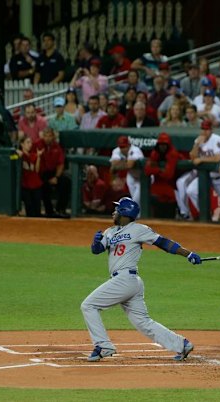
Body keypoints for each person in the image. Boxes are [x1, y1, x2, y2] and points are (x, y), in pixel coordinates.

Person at [82, 197, 201, 362]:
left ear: (124, 213)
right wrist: (95, 243)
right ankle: (182, 345)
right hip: (128, 283)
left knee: (88, 305)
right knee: (143, 322)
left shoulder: (138, 229)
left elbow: (164, 243)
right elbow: (97, 250)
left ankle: (103, 345)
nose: (113, 212)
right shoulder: (109, 231)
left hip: (126, 280)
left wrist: (187, 253)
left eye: (117, 209)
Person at [175, 120, 220, 220]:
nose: (205, 131)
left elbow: (217, 158)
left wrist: (201, 159)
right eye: (203, 129)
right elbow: (193, 157)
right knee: (191, 191)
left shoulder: (217, 139)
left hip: (219, 177)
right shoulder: (199, 140)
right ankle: (205, 214)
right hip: (205, 176)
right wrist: (197, 145)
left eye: (207, 129)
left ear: (211, 130)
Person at [144, 132, 182, 218]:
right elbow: (147, 170)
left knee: (181, 187)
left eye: (165, 144)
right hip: (164, 182)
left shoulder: (172, 153)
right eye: (160, 144)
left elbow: (168, 174)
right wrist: (160, 170)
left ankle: (183, 214)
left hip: (178, 179)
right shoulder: (155, 153)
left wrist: (155, 169)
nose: (162, 147)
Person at [36, 127, 70, 218]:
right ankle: (49, 211)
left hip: (53, 172)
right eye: (46, 136)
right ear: (43, 136)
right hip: (41, 173)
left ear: (53, 136)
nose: (48, 138)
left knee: (66, 182)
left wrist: (56, 177)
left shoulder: (57, 146)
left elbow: (61, 164)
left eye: (50, 136)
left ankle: (60, 209)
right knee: (43, 184)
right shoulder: (37, 144)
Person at [110, 136, 144, 204]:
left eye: (124, 147)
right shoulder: (116, 150)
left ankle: (136, 214)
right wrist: (125, 163)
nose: (122, 149)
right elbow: (113, 165)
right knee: (135, 200)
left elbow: (130, 165)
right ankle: (138, 214)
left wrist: (120, 163)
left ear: (129, 145)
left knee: (136, 200)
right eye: (121, 147)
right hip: (131, 176)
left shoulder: (135, 150)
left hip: (143, 177)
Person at [16, 136, 43, 217]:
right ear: (22, 144)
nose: (30, 144)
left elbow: (37, 170)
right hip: (25, 186)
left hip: (36, 185)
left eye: (31, 142)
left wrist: (39, 157)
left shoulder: (34, 155)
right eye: (27, 142)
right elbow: (11, 157)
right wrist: (17, 154)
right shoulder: (18, 155)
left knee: (37, 210)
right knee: (29, 208)